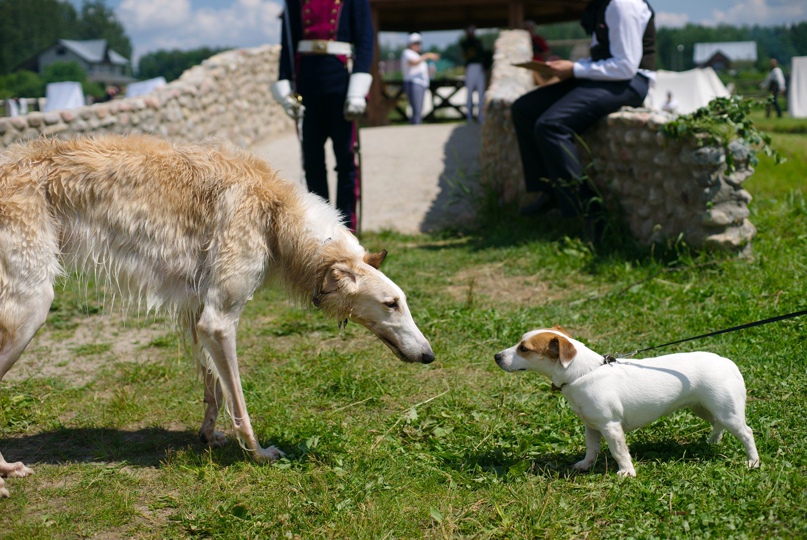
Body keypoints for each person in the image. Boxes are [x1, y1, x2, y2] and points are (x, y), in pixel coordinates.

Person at [511, 0, 656, 240]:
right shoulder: (604, 5)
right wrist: (569, 67)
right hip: (607, 80)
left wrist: (575, 70)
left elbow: (626, 66)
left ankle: (591, 212)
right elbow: (605, 59)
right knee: (524, 109)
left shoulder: (622, 4)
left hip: (629, 84)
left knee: (551, 125)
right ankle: (552, 191)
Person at [271, 0, 374, 233]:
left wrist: (357, 90)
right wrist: (286, 88)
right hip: (307, 80)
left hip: (341, 79)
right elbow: (288, 46)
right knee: (312, 162)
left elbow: (365, 41)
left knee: (346, 160)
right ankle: (322, 230)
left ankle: (347, 230)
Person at [402, 33, 439, 125]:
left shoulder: (419, 56)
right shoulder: (407, 53)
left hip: (421, 83)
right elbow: (413, 63)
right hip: (413, 83)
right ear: (411, 44)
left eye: (419, 43)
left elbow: (425, 73)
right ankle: (416, 127)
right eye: (416, 43)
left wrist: (431, 71)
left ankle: (416, 125)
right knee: (416, 109)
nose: (418, 45)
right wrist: (427, 56)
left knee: (418, 109)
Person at [460, 25, 486, 123]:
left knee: (481, 94)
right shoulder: (465, 43)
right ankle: (469, 118)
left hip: (479, 68)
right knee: (469, 93)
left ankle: (481, 117)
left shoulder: (478, 42)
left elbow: (482, 54)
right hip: (470, 67)